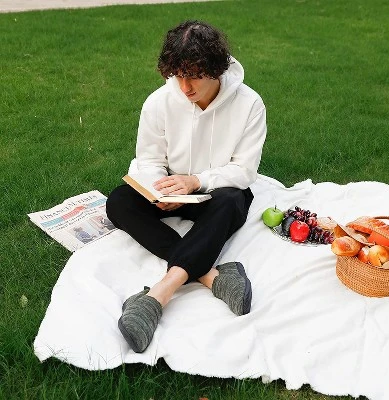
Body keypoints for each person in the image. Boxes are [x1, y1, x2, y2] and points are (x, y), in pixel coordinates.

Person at [106, 20, 267, 353]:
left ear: (216, 70)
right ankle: (212, 276)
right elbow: (149, 159)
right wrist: (160, 190)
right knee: (119, 201)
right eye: (178, 76)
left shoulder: (250, 105)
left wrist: (196, 182)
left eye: (193, 76)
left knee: (231, 202)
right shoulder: (158, 102)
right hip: (171, 189)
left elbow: (244, 170)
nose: (184, 87)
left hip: (217, 192)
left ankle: (158, 295)